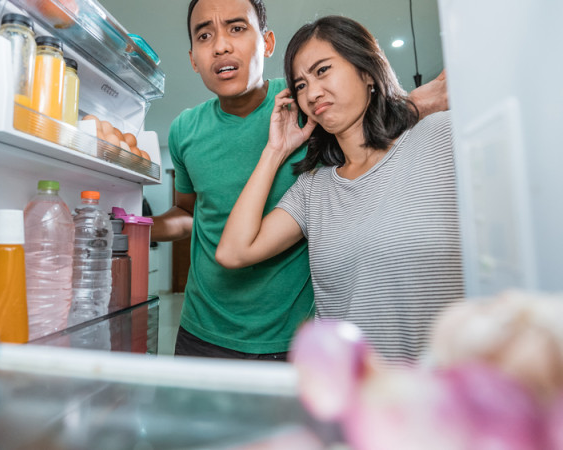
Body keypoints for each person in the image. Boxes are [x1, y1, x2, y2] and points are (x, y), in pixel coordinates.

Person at [151, 0, 448, 360]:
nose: (221, 45)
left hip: (294, 336)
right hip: (203, 325)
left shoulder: (298, 107)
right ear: (193, 57)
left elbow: (368, 120)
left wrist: (414, 106)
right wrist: (134, 227)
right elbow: (193, 217)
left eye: (237, 28)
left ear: (267, 43)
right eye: (205, 35)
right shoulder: (187, 129)